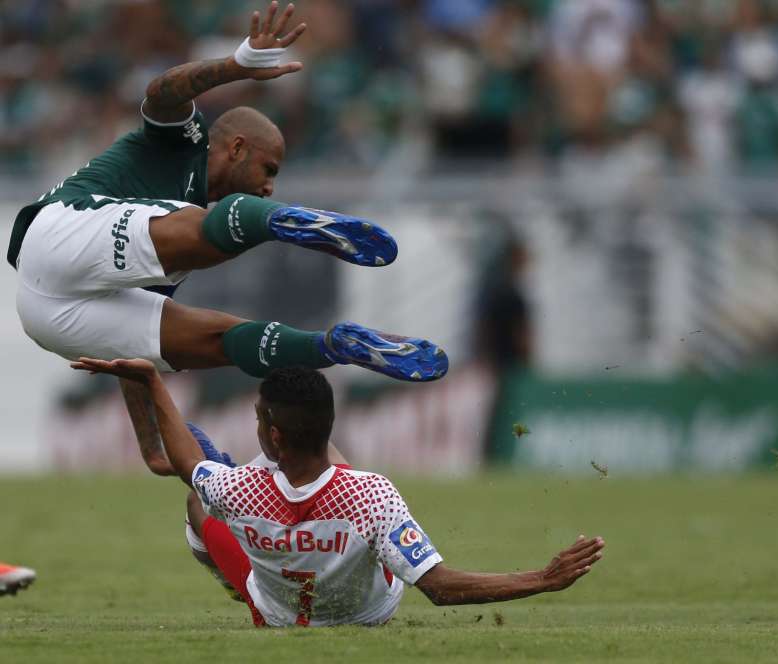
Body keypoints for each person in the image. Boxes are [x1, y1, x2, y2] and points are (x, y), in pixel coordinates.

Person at [9, 2, 448, 472]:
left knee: (219, 339)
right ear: (237, 147)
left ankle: (333, 346)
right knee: (200, 231)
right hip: (53, 236)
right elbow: (159, 92)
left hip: (47, 317)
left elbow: (131, 358)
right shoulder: (183, 142)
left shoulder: (173, 245)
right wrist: (234, 67)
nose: (269, 184)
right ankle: (286, 223)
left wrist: (151, 445)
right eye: (268, 170)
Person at [73, 357, 604, 627]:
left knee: (196, 498)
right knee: (341, 495)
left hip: (275, 612)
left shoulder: (237, 490)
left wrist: (151, 380)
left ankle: (234, 583)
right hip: (369, 614)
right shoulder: (370, 494)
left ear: (272, 436)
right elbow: (439, 587)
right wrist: (543, 578)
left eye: (258, 418)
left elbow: (182, 463)